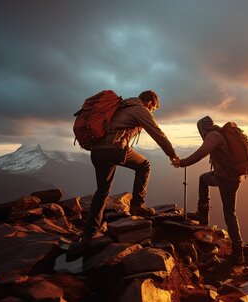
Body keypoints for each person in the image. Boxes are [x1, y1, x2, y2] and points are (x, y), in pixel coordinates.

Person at [70, 90, 178, 258]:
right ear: (149, 102)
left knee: (102, 191)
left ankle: (89, 232)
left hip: (97, 151)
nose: (152, 111)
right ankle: (137, 205)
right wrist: (172, 154)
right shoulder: (140, 109)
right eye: (154, 108)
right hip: (114, 150)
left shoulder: (120, 107)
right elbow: (157, 132)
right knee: (144, 166)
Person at [172, 116, 245, 265]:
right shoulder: (219, 133)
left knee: (229, 213)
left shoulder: (213, 136)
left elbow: (201, 153)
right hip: (229, 176)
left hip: (227, 178)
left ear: (201, 128)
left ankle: (238, 253)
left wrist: (182, 163)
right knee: (203, 179)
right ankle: (203, 215)